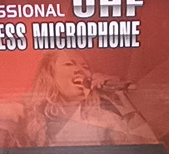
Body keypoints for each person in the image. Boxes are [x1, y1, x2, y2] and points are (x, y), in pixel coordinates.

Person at [14, 52, 156, 147]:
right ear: (49, 74)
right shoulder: (25, 118)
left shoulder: (106, 121)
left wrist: (119, 97)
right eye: (69, 64)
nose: (80, 70)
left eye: (85, 67)